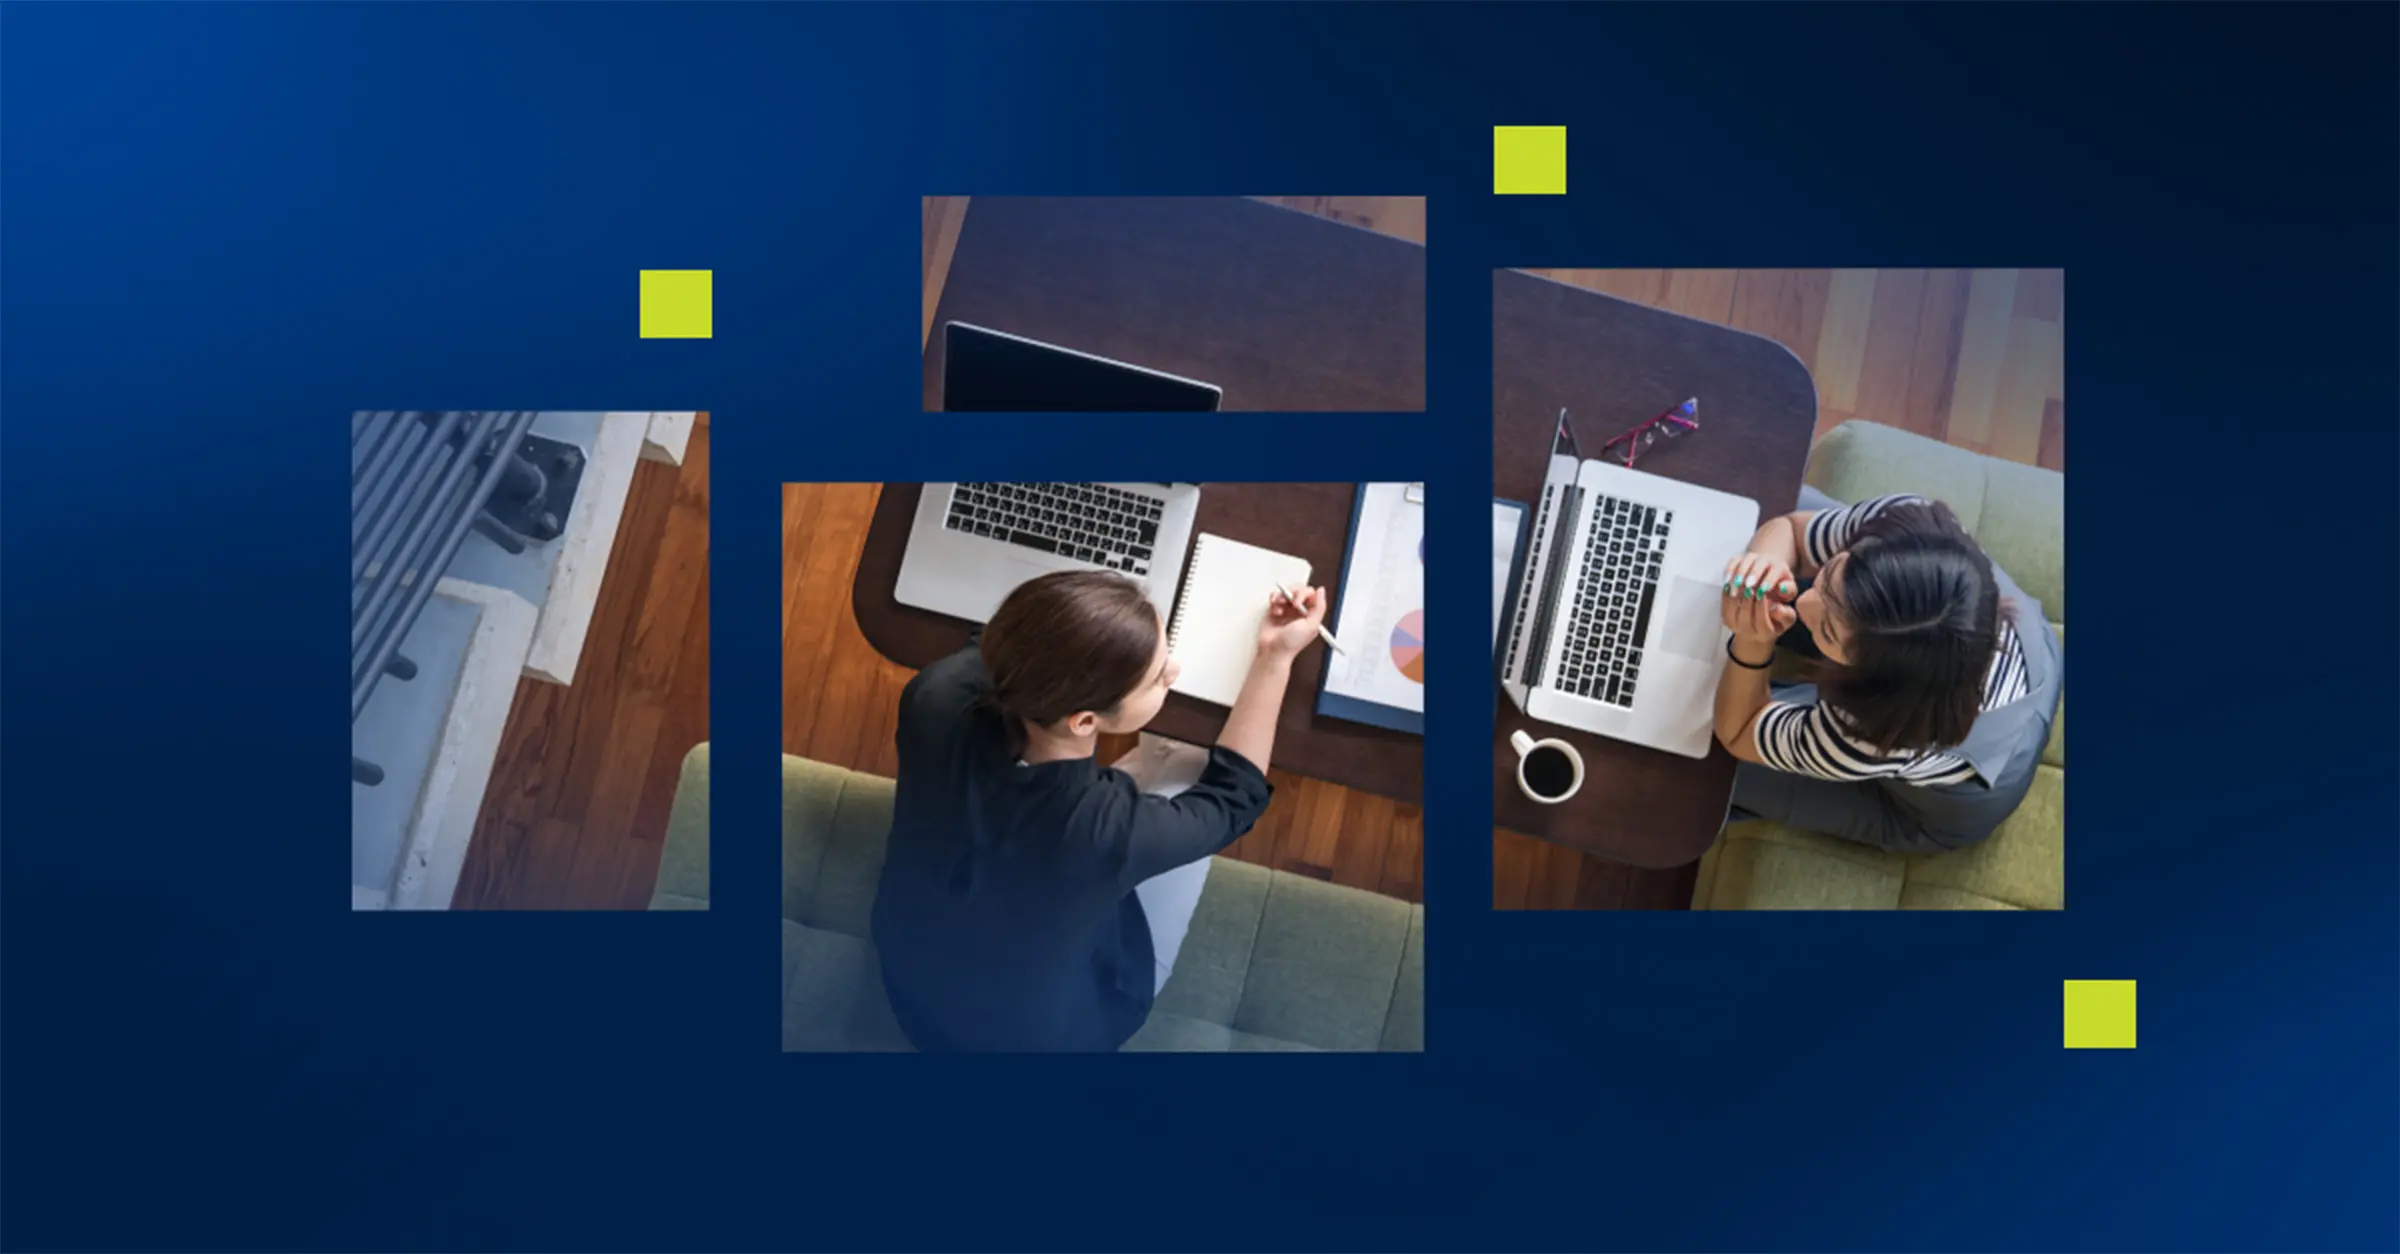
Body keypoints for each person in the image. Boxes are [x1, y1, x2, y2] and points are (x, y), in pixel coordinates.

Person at [870, 568, 1329, 1052]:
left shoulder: (934, 696)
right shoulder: (1106, 832)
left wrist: (1097, 617)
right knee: (1186, 762)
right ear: (1085, 720)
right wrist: (1275, 656)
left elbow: (1009, 638)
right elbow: (1234, 798)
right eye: (1157, 677)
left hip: (915, 996)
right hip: (1040, 1043)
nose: (1173, 671)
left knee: (1158, 759)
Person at [1710, 488, 2062, 854]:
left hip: (1948, 806)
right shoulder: (1906, 526)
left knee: (1703, 748)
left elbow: (1739, 730)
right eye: (1831, 575)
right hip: (2037, 649)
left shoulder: (1875, 738)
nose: (1803, 602)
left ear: (1871, 684)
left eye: (1827, 631)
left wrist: (1752, 640)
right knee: (1757, 504)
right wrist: (1761, 566)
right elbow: (1791, 528)